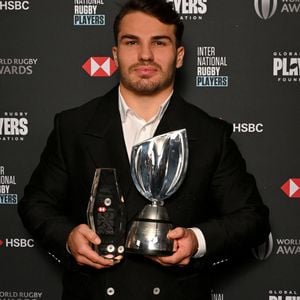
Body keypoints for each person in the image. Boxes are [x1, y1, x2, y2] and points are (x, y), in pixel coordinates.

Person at [18, 0, 270, 299]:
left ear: (179, 56)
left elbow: (252, 218)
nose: (145, 54)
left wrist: (196, 240)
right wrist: (68, 237)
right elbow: (36, 204)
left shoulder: (210, 134)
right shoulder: (72, 125)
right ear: (115, 54)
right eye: (131, 42)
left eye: (159, 42)